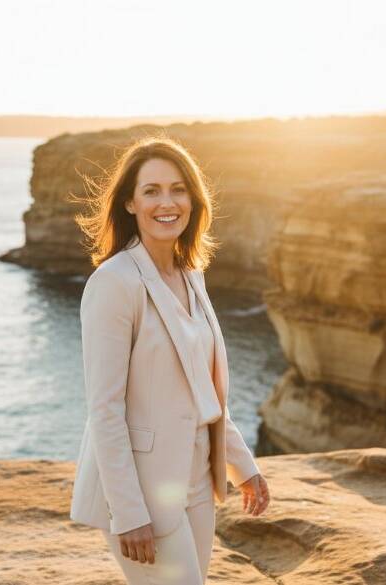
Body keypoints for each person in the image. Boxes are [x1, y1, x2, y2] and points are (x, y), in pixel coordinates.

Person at [68, 135, 271, 584]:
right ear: (129, 204)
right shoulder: (114, 283)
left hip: (197, 482)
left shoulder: (191, 276)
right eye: (152, 190)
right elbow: (105, 409)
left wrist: (244, 468)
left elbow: (206, 390)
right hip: (143, 491)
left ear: (194, 200)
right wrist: (127, 512)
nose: (168, 202)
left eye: (179, 189)